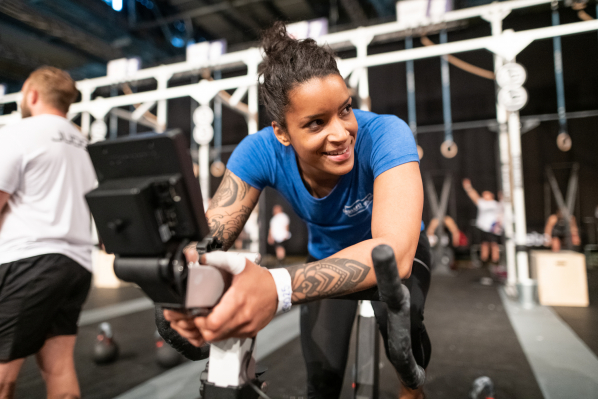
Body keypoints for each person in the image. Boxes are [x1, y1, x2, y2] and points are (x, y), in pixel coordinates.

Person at [165, 22, 430, 399]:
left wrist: (276, 285)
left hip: (401, 260)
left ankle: (411, 390)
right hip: (326, 257)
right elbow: (209, 238)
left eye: (345, 110)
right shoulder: (258, 151)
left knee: (403, 343)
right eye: (316, 123)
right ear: (282, 132)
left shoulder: (386, 135)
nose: (340, 133)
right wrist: (184, 279)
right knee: (321, 381)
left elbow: (394, 254)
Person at [0, 67, 96, 399]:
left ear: (32, 95)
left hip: (29, 261)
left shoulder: (18, 133)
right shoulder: (85, 143)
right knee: (59, 369)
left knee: (2, 375)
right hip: (78, 265)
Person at [462, 178, 500, 263]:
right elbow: (474, 196)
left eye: (486, 194)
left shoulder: (496, 204)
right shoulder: (482, 203)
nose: (484, 195)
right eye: (483, 194)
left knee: (494, 244)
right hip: (483, 227)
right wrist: (468, 187)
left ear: (491, 195)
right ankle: (484, 260)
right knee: (484, 244)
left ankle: (495, 260)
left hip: (493, 228)